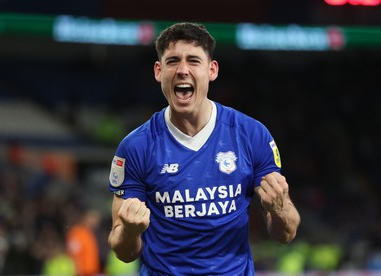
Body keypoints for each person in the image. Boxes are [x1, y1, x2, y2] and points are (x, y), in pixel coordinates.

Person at [108, 22, 301, 275]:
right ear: (158, 71)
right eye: (173, 61)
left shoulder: (251, 135)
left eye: (194, 61)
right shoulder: (136, 147)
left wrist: (278, 208)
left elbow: (286, 233)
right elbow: (122, 250)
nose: (183, 70)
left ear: (212, 70)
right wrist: (131, 231)